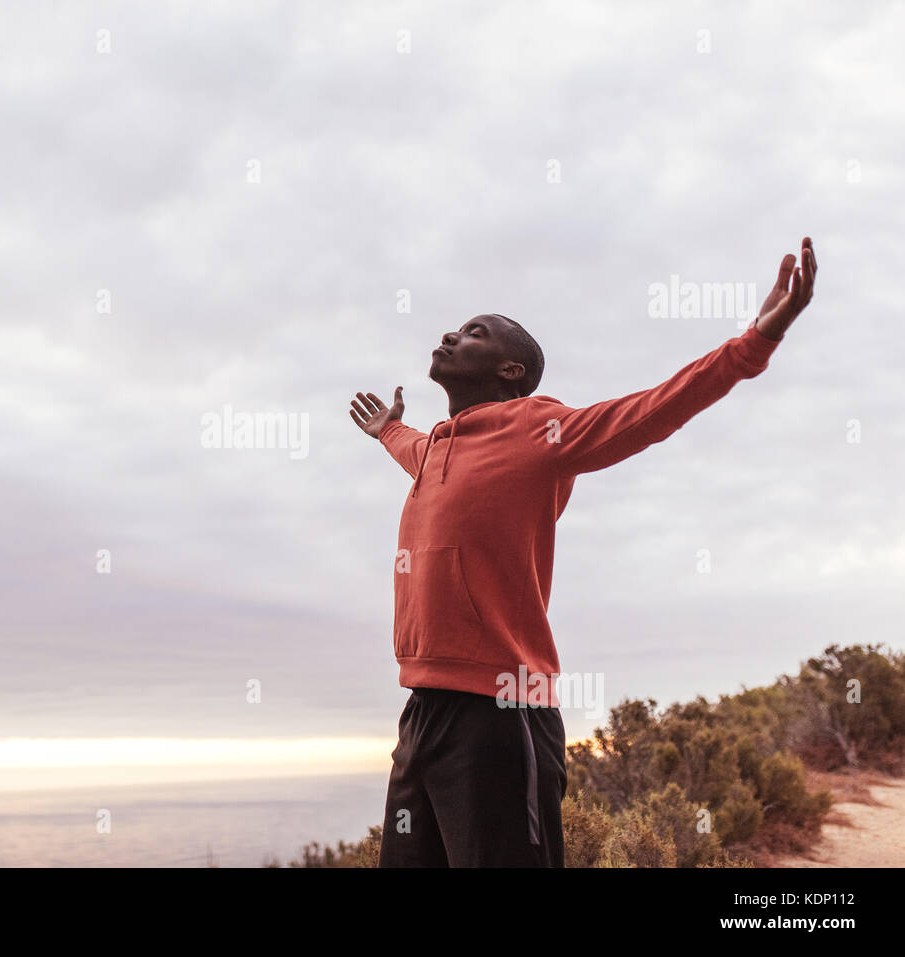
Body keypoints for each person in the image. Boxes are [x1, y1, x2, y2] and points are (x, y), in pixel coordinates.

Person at [349, 238, 817, 867]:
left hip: (500, 711)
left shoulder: (541, 430)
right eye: (457, 328)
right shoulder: (433, 448)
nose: (452, 335)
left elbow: (654, 408)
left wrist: (754, 341)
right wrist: (386, 430)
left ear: (510, 370)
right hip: (422, 711)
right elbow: (409, 447)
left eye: (475, 333)